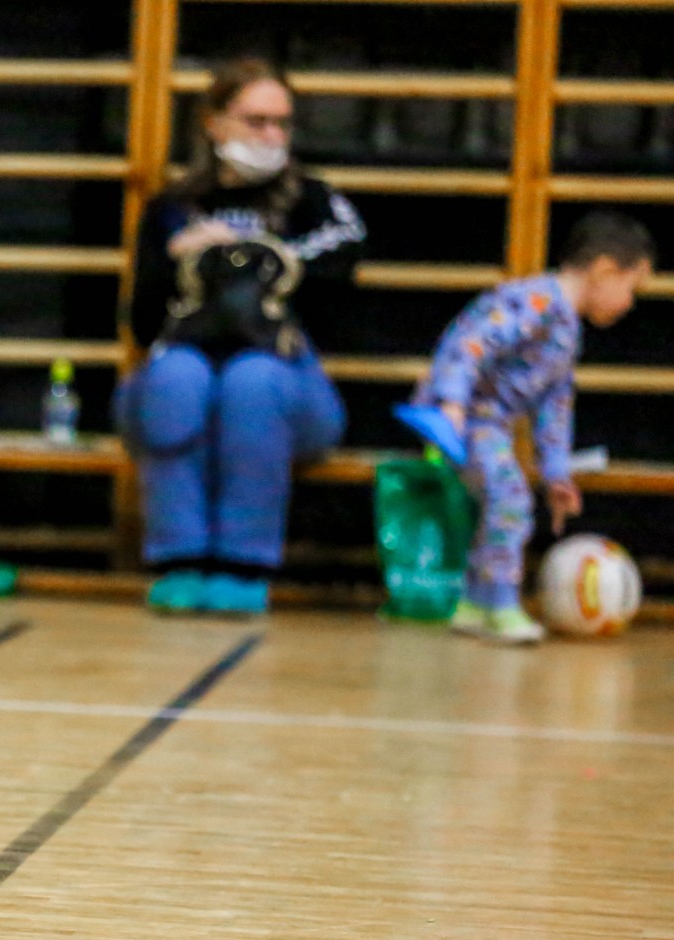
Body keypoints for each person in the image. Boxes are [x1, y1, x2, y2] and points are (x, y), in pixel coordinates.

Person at [119, 57, 363, 616]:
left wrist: (254, 255)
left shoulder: (314, 201)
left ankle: (243, 562)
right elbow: (140, 323)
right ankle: (178, 559)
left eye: (282, 123)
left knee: (251, 385)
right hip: (183, 371)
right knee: (178, 378)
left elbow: (347, 255)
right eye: (256, 121)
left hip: (286, 384)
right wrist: (181, 258)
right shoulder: (172, 210)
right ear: (214, 122)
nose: (272, 136)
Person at [408, 211, 654, 644]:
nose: (630, 302)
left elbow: (554, 406)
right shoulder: (535, 302)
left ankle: (476, 601)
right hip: (462, 414)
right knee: (510, 498)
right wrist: (451, 402)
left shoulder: (567, 329)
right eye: (632, 288)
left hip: (489, 421)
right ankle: (497, 603)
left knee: (507, 499)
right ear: (604, 271)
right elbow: (471, 342)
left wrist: (556, 473)